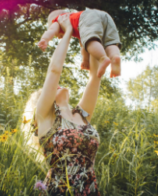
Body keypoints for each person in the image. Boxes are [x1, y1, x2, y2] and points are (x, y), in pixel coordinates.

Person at [31, 14, 102, 195]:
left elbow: (95, 77)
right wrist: (68, 31)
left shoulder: (81, 115)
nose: (58, 85)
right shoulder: (45, 117)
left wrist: (85, 34)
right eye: (53, 88)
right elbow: (55, 70)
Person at [38, 8, 122, 79]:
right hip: (105, 16)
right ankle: (114, 57)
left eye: (57, 35)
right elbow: (84, 45)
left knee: (90, 42)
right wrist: (85, 61)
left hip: (88, 16)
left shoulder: (59, 20)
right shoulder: (77, 24)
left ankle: (102, 58)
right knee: (110, 42)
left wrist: (44, 39)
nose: (59, 37)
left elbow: (52, 30)